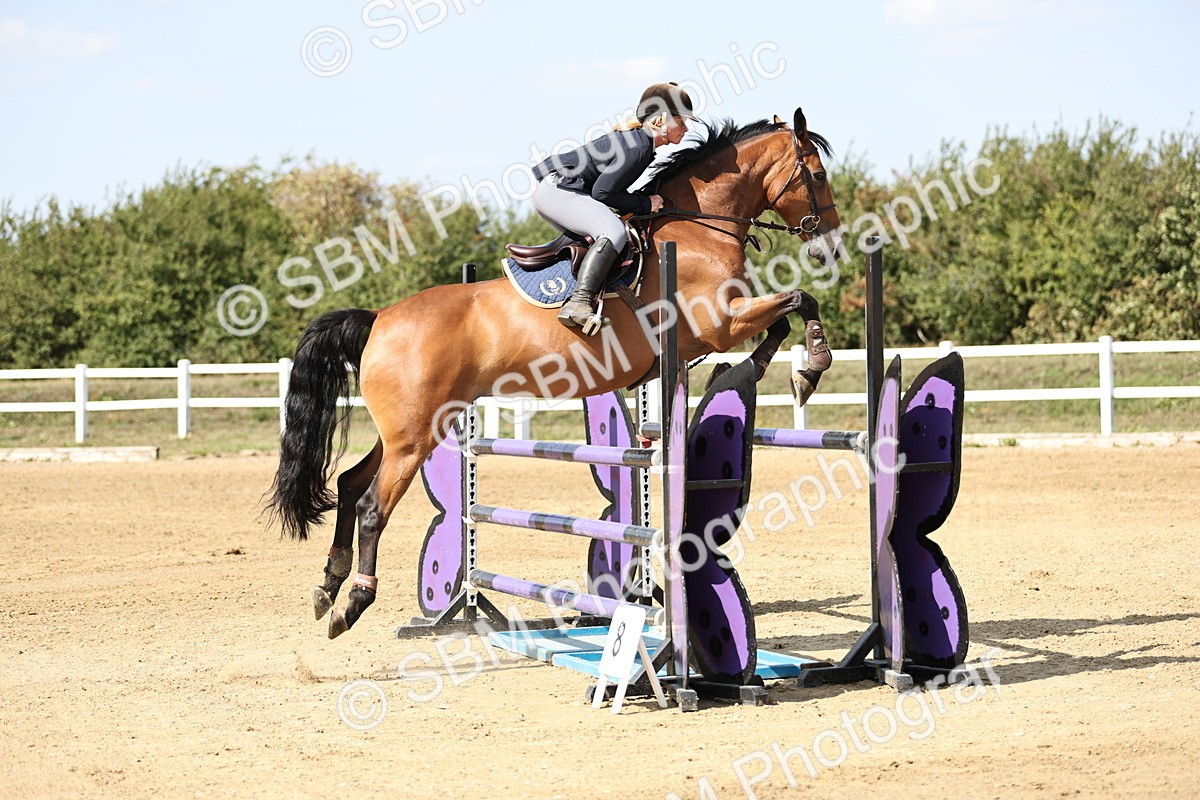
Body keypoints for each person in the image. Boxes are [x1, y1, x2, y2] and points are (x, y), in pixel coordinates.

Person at [531, 82, 695, 330]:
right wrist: (644, 202)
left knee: (607, 231)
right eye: (681, 121)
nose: (685, 128)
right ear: (661, 120)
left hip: (557, 189)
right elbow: (603, 192)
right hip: (560, 190)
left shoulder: (639, 142)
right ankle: (579, 302)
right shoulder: (638, 147)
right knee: (613, 232)